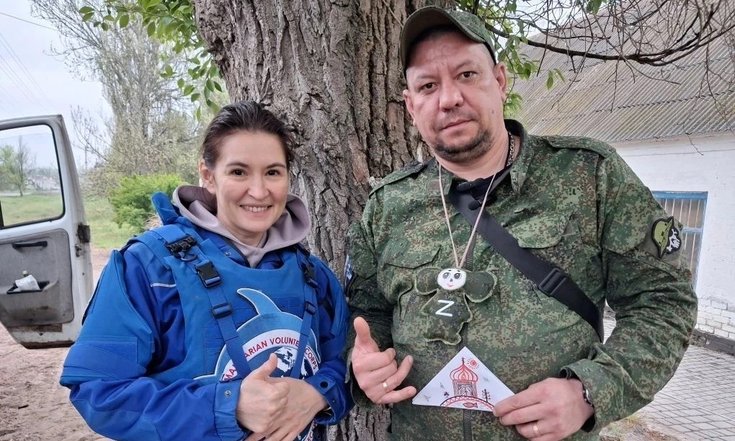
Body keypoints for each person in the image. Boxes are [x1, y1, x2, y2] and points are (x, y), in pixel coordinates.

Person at [345, 6, 697, 441]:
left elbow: (663, 302)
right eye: (428, 86)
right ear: (410, 105)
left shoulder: (589, 175)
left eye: (467, 75)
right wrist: (363, 363)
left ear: (499, 81)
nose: (449, 98)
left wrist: (590, 391)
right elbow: (367, 313)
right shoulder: (387, 205)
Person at [60, 100, 352, 441]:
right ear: (208, 175)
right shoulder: (149, 268)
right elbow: (99, 392)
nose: (259, 191)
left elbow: (343, 366)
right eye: (238, 172)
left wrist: (317, 393)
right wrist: (229, 406)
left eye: (273, 172)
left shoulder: (313, 276)